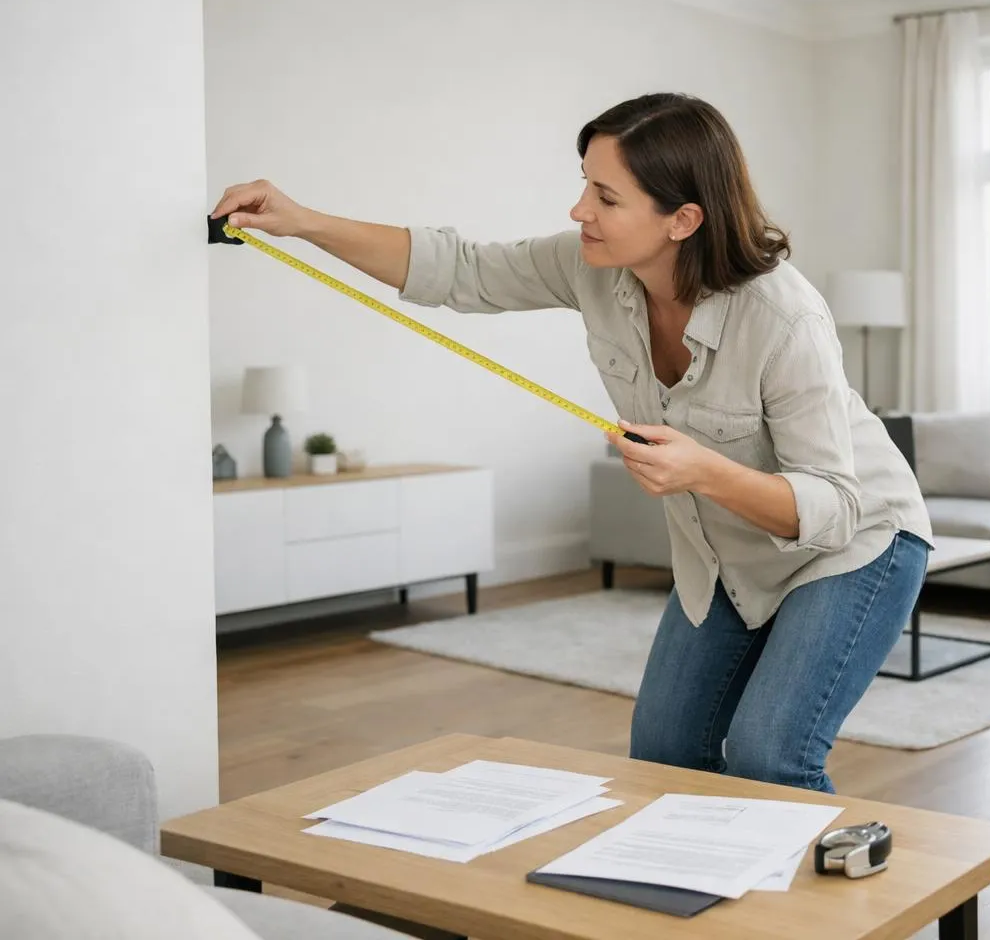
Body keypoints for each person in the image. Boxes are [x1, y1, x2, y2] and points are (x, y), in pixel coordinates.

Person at [209, 92, 933, 793]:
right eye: (584, 184)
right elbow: (457, 270)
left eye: (606, 197)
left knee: (769, 757)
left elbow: (834, 506)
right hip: (728, 555)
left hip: (854, 543)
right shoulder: (591, 265)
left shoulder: (784, 318)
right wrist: (302, 221)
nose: (579, 210)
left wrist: (703, 472)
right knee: (663, 755)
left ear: (682, 219)